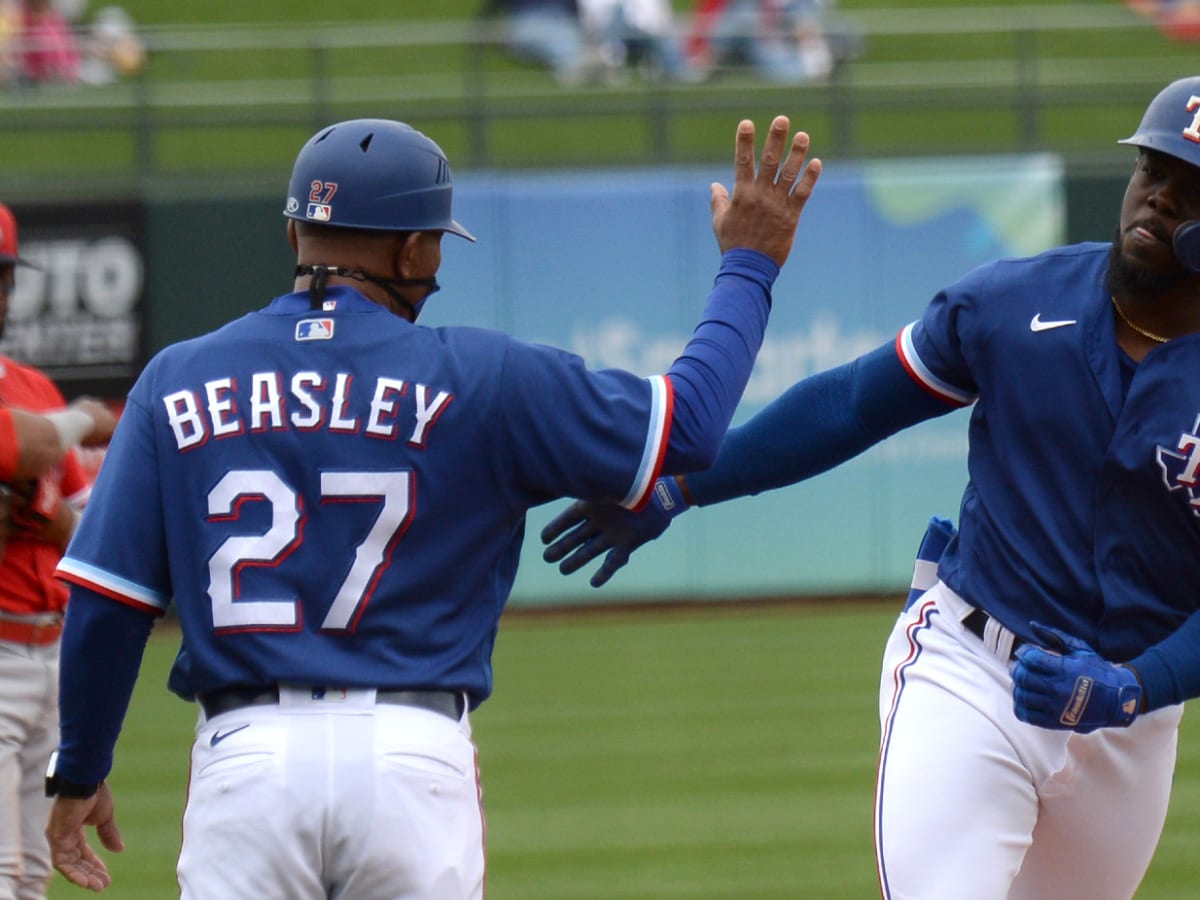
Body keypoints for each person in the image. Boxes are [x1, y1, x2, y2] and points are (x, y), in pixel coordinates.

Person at [42, 114, 820, 897]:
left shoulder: (175, 378)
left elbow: (108, 604)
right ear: (413, 250)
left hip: (246, 760)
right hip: (411, 758)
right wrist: (750, 265)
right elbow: (688, 426)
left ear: (294, 235)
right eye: (436, 243)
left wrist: (79, 768)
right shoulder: (483, 376)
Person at [542, 75, 1200, 899]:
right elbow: (853, 404)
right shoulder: (1015, 302)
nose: (1160, 200)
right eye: (1154, 171)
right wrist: (680, 487)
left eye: (1191, 189)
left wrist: (1136, 686)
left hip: (1130, 719)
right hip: (976, 672)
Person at [0, 199, 117, 900]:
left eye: (4, 275)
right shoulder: (51, 408)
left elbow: (88, 533)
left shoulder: (31, 384)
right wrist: (86, 418)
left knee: (34, 877)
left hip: (52, 666)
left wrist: (47, 520)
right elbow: (32, 444)